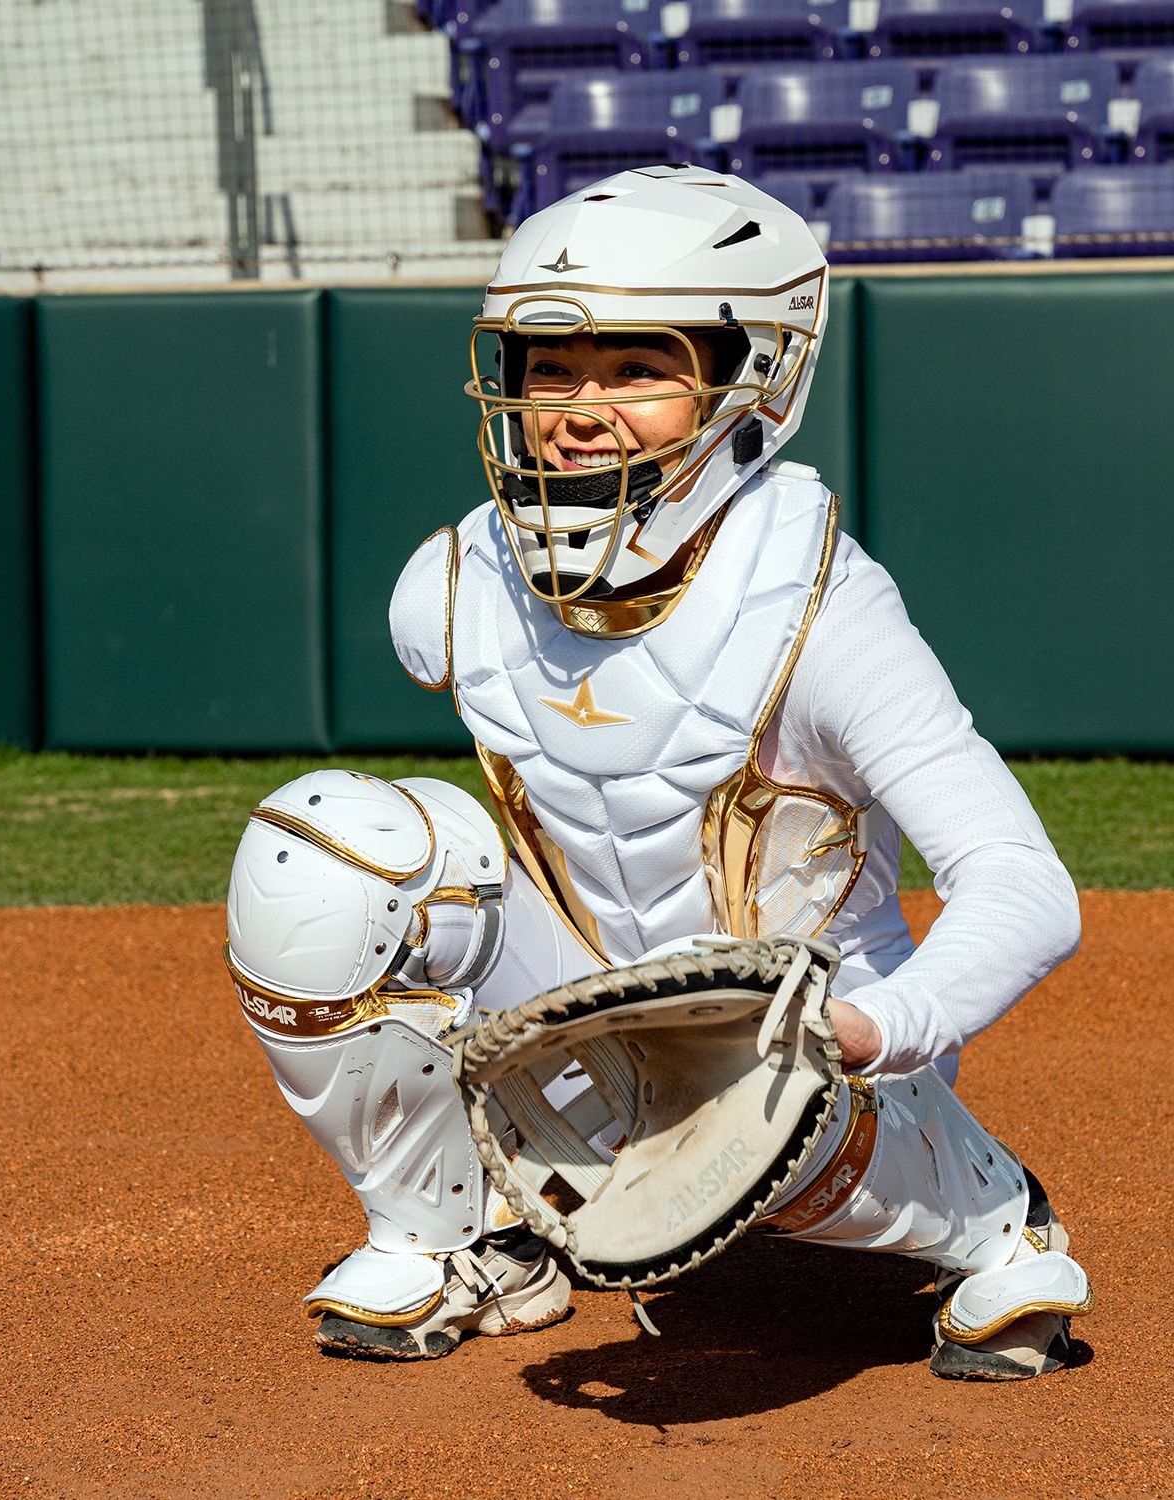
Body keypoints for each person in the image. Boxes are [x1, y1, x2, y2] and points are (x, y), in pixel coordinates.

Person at [225, 167, 1092, 1379]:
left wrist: (876, 1027)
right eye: (550, 367)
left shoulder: (822, 609)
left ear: (754, 379)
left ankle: (996, 1216)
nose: (580, 410)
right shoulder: (455, 587)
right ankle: (462, 1240)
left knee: (772, 1066)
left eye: (638, 368)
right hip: (585, 1014)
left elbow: (1024, 884)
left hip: (806, 1034)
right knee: (322, 851)